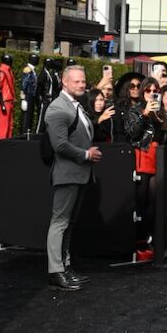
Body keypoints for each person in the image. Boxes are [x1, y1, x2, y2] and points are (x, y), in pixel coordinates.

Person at [45, 62, 101, 291]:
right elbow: (59, 145)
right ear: (64, 82)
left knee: (69, 224)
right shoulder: (59, 108)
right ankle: (56, 270)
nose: (81, 84)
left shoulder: (76, 106)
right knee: (59, 223)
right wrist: (86, 154)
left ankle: (65, 267)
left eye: (83, 81)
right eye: (76, 81)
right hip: (67, 174)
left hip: (79, 174)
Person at [0, 54, 15, 141]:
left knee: (10, 125)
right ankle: (1, 144)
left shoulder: (8, 71)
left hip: (9, 101)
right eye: (10, 60)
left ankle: (7, 143)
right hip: (5, 101)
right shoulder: (1, 72)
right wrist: (2, 104)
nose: (11, 61)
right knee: (4, 125)